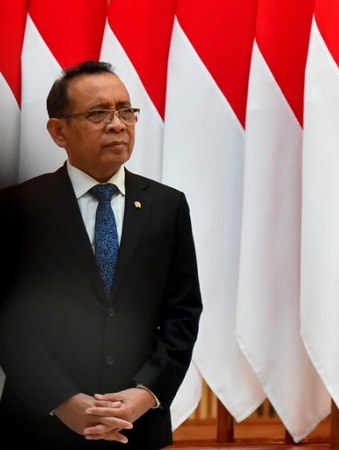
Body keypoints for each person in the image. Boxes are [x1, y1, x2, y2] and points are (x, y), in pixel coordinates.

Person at [0, 60, 202, 449]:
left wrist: (146, 393)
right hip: (38, 424)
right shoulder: (18, 207)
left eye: (126, 111)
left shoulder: (167, 206)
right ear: (59, 130)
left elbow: (182, 313)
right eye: (98, 113)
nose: (117, 124)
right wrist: (61, 401)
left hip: (137, 427)